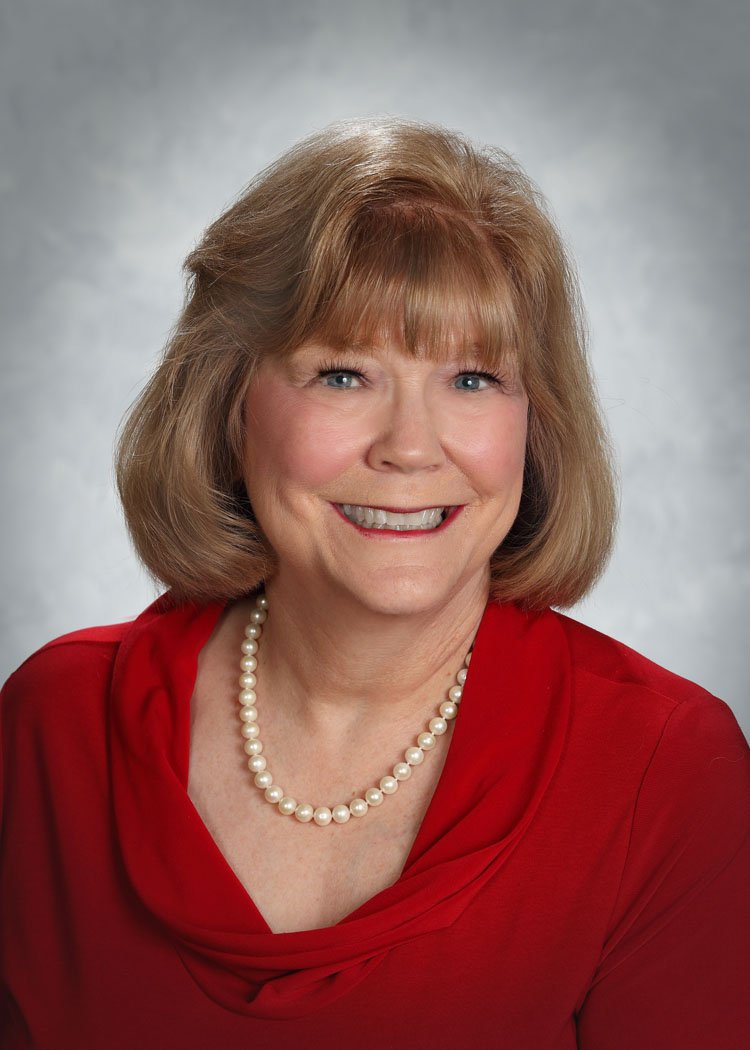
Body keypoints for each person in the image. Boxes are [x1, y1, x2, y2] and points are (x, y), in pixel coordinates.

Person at [1, 119, 748, 1050]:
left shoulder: (663, 771)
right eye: (344, 375)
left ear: (535, 425)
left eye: (472, 379)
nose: (409, 447)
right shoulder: (54, 727)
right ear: (228, 405)